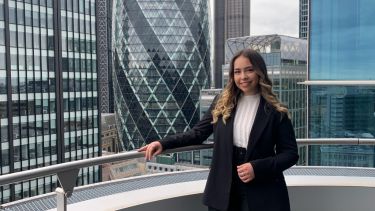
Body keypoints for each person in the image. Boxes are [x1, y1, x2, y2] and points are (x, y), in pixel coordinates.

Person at [138, 48, 299, 211]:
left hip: (263, 187)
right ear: (232, 75)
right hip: (224, 186)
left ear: (259, 72)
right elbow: (197, 134)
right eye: (237, 72)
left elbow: (290, 154)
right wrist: (163, 143)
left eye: (249, 70)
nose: (243, 77)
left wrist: (257, 168)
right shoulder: (222, 102)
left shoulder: (276, 111)